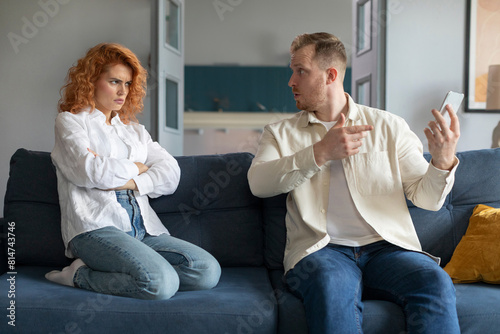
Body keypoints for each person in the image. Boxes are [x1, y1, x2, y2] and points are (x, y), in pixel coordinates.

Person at [247, 32, 461, 333]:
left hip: (388, 250)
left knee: (434, 280)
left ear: (330, 75)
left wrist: (441, 162)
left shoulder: (389, 126)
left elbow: (428, 200)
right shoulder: (279, 133)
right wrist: (320, 152)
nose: (291, 82)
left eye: (301, 71)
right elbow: (259, 183)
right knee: (332, 284)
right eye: (292, 71)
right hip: (321, 252)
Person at [46, 43, 221, 300]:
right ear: (92, 80)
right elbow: (89, 171)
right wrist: (138, 167)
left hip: (144, 228)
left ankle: (109, 271)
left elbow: (171, 175)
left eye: (128, 84)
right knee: (160, 284)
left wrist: (130, 182)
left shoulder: (135, 131)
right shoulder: (70, 122)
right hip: (96, 229)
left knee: (207, 271)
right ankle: (78, 276)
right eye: (115, 81)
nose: (122, 91)